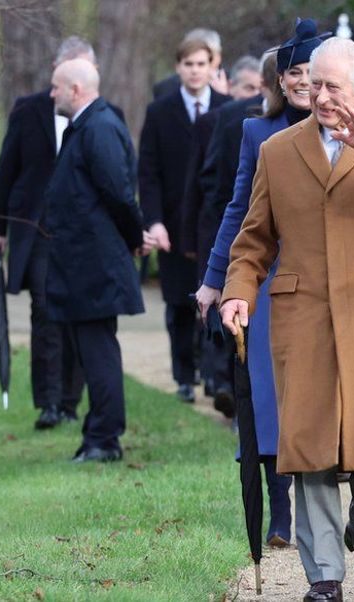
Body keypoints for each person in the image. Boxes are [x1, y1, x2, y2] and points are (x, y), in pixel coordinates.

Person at [220, 37, 354, 602]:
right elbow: (254, 239)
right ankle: (323, 575)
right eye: (313, 84)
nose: (318, 95)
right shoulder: (279, 150)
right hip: (304, 312)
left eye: (332, 86)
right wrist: (237, 292)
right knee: (310, 444)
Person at [195, 17, 329, 549]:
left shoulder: (345, 127)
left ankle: (337, 503)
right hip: (272, 278)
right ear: (279, 80)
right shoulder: (258, 132)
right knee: (269, 398)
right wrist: (214, 280)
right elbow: (238, 212)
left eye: (310, 73)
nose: (301, 82)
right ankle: (280, 512)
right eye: (293, 73)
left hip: (330, 278)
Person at [0, 36, 124, 430]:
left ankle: (69, 400)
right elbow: (6, 169)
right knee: (45, 314)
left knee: (80, 316)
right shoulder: (28, 110)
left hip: (84, 236)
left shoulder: (108, 115)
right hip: (38, 228)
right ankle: (47, 401)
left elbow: (118, 180)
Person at [42, 58, 148, 462]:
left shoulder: (100, 126)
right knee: (90, 350)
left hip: (96, 265)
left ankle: (105, 439)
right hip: (84, 263)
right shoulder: (87, 125)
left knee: (98, 351)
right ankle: (97, 434)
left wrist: (134, 238)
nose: (51, 93)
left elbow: (120, 194)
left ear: (74, 89)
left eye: (56, 86)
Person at [138, 38, 230, 403]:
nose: (195, 70)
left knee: (215, 299)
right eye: (188, 64)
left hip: (211, 221)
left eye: (201, 64)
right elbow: (148, 172)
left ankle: (214, 374)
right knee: (178, 302)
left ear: (212, 66)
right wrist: (154, 220)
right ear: (178, 67)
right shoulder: (160, 112)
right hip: (174, 224)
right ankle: (182, 374)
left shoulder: (227, 109)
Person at [178, 54, 263, 411]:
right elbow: (207, 181)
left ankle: (227, 380)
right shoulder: (233, 121)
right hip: (232, 223)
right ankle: (223, 380)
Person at [153, 27, 229, 98]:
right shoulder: (167, 88)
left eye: (202, 61)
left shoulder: (233, 82)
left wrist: (224, 97)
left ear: (218, 56)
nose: (195, 69)